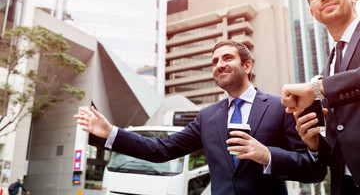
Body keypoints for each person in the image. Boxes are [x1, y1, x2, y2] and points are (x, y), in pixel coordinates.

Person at [75, 40, 326, 195]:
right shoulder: (207, 117)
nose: (219, 64)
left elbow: (313, 170)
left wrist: (267, 156)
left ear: (247, 66)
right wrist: (111, 133)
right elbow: (161, 149)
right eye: (215, 61)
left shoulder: (279, 107)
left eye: (228, 58)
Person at [281, 0, 360, 195]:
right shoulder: (330, 64)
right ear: (313, 13)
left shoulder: (322, 81)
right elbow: (341, 139)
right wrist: (314, 143)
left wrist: (317, 88)